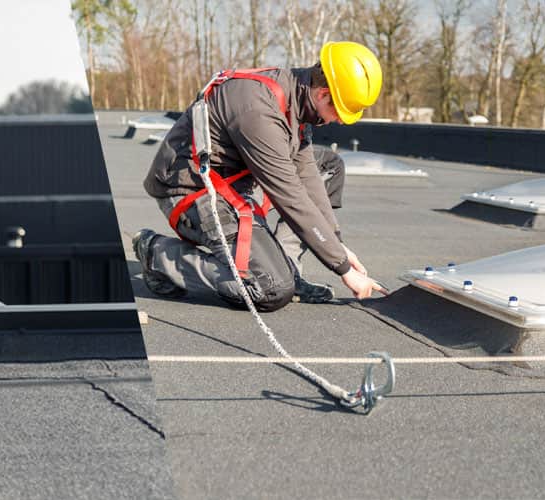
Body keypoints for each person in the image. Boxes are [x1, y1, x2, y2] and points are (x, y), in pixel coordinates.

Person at [134, 41, 388, 312]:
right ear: (323, 95)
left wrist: (336, 244)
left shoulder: (296, 99)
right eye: (340, 112)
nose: (339, 121)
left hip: (236, 179)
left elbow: (307, 175)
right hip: (191, 190)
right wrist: (343, 268)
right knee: (270, 289)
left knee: (329, 166)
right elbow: (290, 195)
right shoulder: (258, 110)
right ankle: (159, 254)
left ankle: (288, 268)